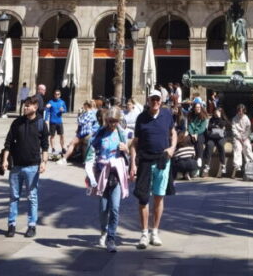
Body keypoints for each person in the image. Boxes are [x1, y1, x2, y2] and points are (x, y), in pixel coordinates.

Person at [129, 89, 177, 249]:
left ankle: (154, 232)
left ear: (161, 101)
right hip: (144, 161)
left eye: (157, 99)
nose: (155, 101)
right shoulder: (141, 118)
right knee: (143, 198)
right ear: (148, 101)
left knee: (158, 196)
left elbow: (174, 132)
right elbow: (135, 142)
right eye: (152, 99)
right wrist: (133, 164)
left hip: (163, 160)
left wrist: (172, 148)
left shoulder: (167, 115)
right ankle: (144, 233)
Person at [1, 95, 48, 239]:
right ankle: (11, 224)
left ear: (35, 107)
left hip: (32, 167)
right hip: (16, 167)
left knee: (32, 197)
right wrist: (5, 160)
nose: (25, 107)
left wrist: (44, 162)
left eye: (28, 105)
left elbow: (45, 146)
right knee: (14, 197)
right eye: (24, 105)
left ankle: (32, 225)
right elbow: (8, 143)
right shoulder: (17, 123)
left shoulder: (41, 124)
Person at [88, 105, 129, 253]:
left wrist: (126, 149)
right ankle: (103, 231)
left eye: (115, 121)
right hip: (102, 175)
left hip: (116, 175)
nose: (112, 124)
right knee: (103, 209)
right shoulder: (101, 133)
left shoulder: (121, 133)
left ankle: (111, 238)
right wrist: (90, 172)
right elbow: (90, 150)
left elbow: (128, 155)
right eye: (110, 121)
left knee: (115, 208)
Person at [205, 106, 228, 176]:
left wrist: (219, 118)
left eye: (217, 112)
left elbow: (222, 124)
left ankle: (223, 165)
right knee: (209, 145)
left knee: (220, 144)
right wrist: (216, 126)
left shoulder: (223, 119)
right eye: (215, 112)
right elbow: (209, 127)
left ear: (221, 112)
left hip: (221, 137)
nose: (215, 114)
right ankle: (207, 165)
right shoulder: (211, 119)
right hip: (212, 137)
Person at [230, 103, 253, 177]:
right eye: (239, 111)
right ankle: (237, 165)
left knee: (247, 147)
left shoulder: (246, 119)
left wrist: (244, 137)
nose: (240, 113)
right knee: (237, 147)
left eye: (242, 111)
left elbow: (248, 129)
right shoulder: (234, 119)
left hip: (245, 137)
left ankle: (250, 163)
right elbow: (234, 129)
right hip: (237, 137)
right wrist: (239, 137)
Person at [187, 101, 208, 175]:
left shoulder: (203, 116)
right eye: (196, 107)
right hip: (192, 133)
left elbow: (202, 128)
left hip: (200, 133)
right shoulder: (190, 115)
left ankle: (199, 158)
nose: (198, 109)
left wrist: (196, 134)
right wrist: (192, 134)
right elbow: (189, 126)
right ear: (194, 108)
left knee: (199, 141)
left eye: (199, 107)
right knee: (188, 140)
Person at [45, 88, 68, 156]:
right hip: (52, 121)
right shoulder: (50, 102)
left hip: (59, 121)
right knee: (52, 136)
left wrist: (62, 110)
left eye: (58, 94)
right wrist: (46, 119)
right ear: (54, 95)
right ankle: (53, 148)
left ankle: (63, 148)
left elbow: (65, 110)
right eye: (55, 94)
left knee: (62, 135)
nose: (57, 95)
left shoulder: (62, 102)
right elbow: (47, 111)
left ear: (60, 95)